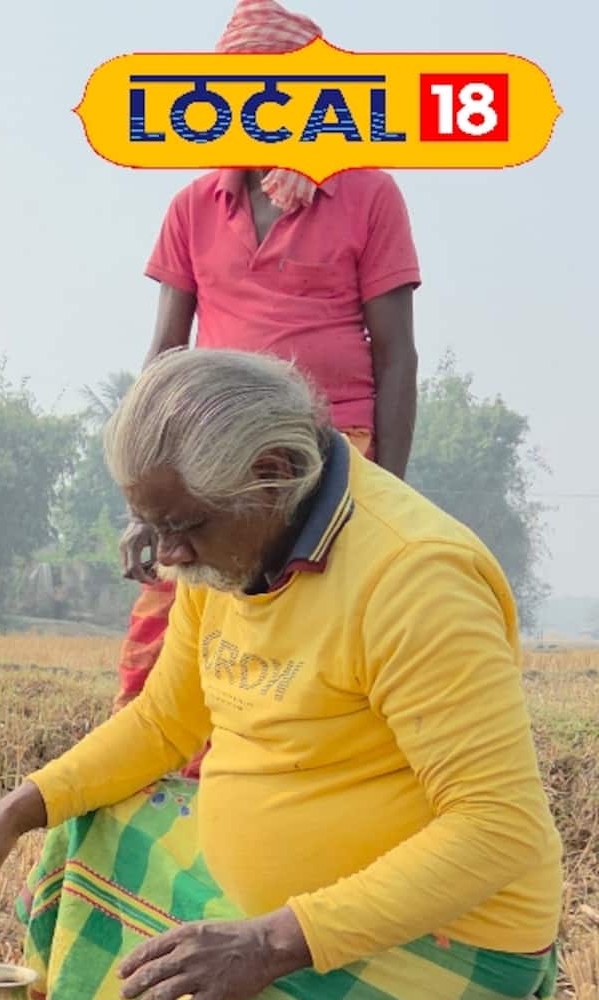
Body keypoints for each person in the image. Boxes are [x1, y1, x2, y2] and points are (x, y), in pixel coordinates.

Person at [0, 349, 595, 1000]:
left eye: (182, 527)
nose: (167, 557)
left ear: (273, 475)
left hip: (443, 935)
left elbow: (498, 831)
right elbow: (166, 723)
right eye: (152, 527)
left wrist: (271, 945)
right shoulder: (233, 545)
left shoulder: (416, 579)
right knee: (77, 833)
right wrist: (14, 812)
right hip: (285, 912)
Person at [115, 0, 422, 716]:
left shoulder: (368, 191)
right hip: (204, 455)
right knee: (162, 651)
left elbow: (398, 358)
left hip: (326, 452)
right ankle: (159, 804)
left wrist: (387, 497)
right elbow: (165, 355)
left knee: (308, 650)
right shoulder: (194, 205)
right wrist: (141, 501)